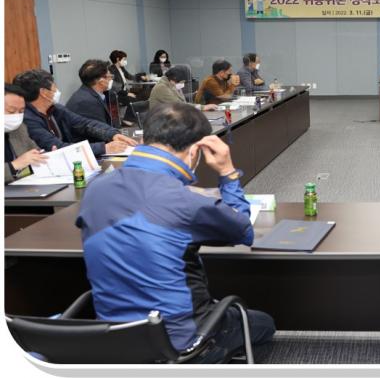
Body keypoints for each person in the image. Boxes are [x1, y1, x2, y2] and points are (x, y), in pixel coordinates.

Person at [75, 103, 275, 363]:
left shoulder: (95, 189)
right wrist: (227, 173)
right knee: (263, 324)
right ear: (194, 151)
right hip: (179, 343)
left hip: (113, 336)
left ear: (145, 138)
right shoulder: (185, 202)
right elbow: (242, 229)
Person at [13, 69, 136, 157]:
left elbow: (84, 123)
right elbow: (57, 147)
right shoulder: (27, 119)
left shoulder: (55, 109)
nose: (57, 90)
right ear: (44, 93)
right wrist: (103, 148)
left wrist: (112, 134)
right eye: (54, 86)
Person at [5, 84, 48, 183]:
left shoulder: (19, 128)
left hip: (23, 185)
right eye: (11, 111)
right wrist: (14, 165)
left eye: (21, 111)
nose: (16, 116)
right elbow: (20, 163)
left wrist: (50, 156)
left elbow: (35, 152)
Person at [66, 59, 114, 126]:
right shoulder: (88, 102)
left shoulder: (85, 93)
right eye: (109, 77)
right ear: (101, 80)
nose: (111, 79)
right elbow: (101, 129)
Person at [149, 66, 217, 111]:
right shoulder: (161, 88)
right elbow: (179, 105)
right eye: (182, 82)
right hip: (161, 121)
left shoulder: (172, 85)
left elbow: (183, 102)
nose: (183, 84)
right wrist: (203, 107)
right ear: (174, 78)